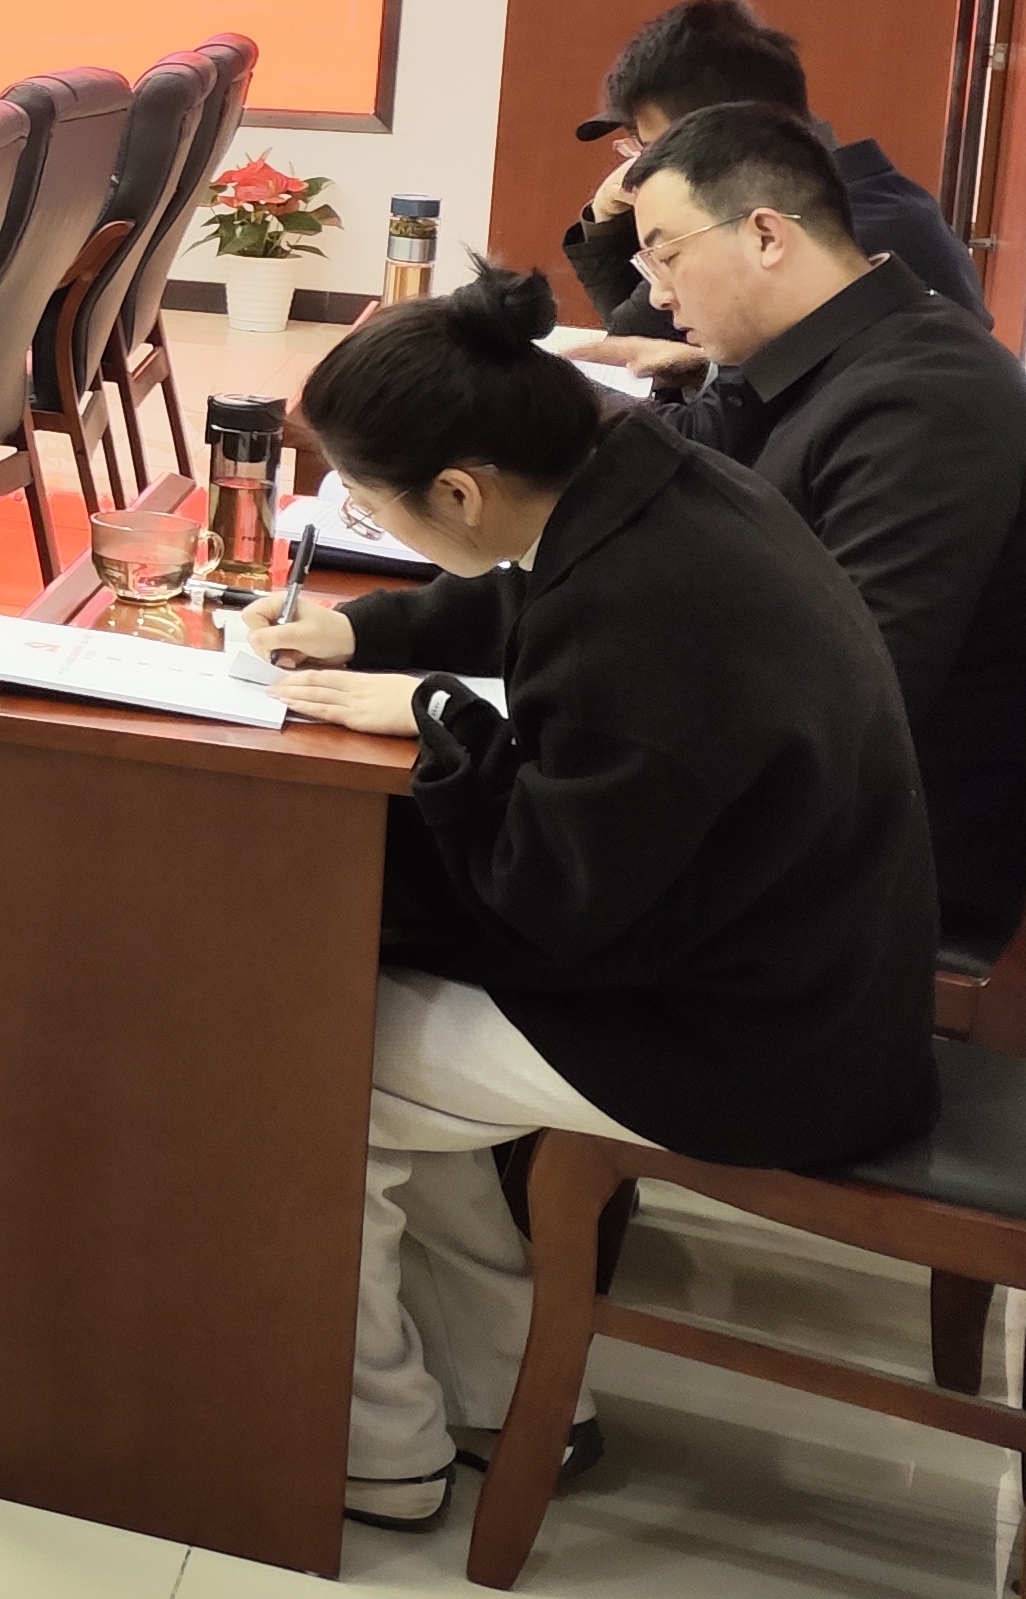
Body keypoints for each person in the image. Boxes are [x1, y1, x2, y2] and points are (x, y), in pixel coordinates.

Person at [235, 266, 937, 1530]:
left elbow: (544, 902)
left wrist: (442, 729)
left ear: (459, 489)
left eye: (374, 507)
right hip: (801, 969)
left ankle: (373, 1443)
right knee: (381, 1013)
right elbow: (529, 588)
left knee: (307, 1055)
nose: (375, 526)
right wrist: (372, 635)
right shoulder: (651, 484)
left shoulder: (640, 614)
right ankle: (505, 1396)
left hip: (760, 1040)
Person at [610, 104, 1026, 944]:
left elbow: (852, 704)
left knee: (404, 866)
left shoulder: (925, 407)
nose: (657, 294)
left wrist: (553, 712)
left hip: (865, 877)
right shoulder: (847, 351)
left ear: (766, 235)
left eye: (667, 255)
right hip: (803, 817)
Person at [560, 0, 983, 334]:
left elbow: (634, 336)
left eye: (654, 151)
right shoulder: (874, 197)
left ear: (722, 133)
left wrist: (608, 228)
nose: (641, 173)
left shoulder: (835, 230)